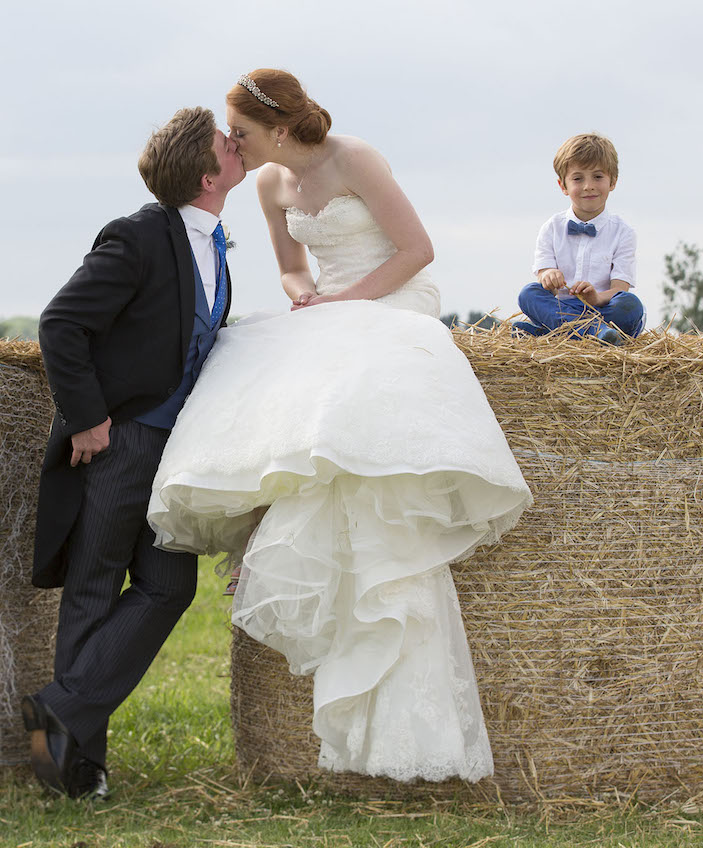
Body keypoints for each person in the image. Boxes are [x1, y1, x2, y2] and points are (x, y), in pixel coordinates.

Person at [147, 69, 531, 784]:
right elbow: (291, 268)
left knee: (342, 389)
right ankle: (275, 535)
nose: (233, 144)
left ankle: (318, 556)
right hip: (331, 305)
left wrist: (347, 303)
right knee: (262, 370)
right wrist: (307, 299)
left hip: (394, 295)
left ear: (281, 128)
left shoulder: (354, 159)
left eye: (243, 133)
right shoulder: (268, 184)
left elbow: (418, 250)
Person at [22, 107, 245, 799]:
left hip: (176, 447)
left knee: (170, 586)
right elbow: (61, 322)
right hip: (126, 442)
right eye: (225, 142)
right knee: (94, 586)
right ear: (208, 175)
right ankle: (75, 771)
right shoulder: (141, 234)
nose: (237, 145)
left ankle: (58, 713)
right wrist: (89, 421)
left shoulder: (212, 242)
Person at [514, 132, 645, 344]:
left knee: (631, 305)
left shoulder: (624, 232)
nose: (588, 186)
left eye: (598, 177)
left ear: (613, 181)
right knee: (528, 294)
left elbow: (621, 289)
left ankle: (552, 334)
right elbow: (544, 279)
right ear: (563, 186)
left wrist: (597, 297)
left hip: (606, 310)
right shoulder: (551, 228)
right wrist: (550, 276)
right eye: (578, 178)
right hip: (563, 308)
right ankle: (595, 333)